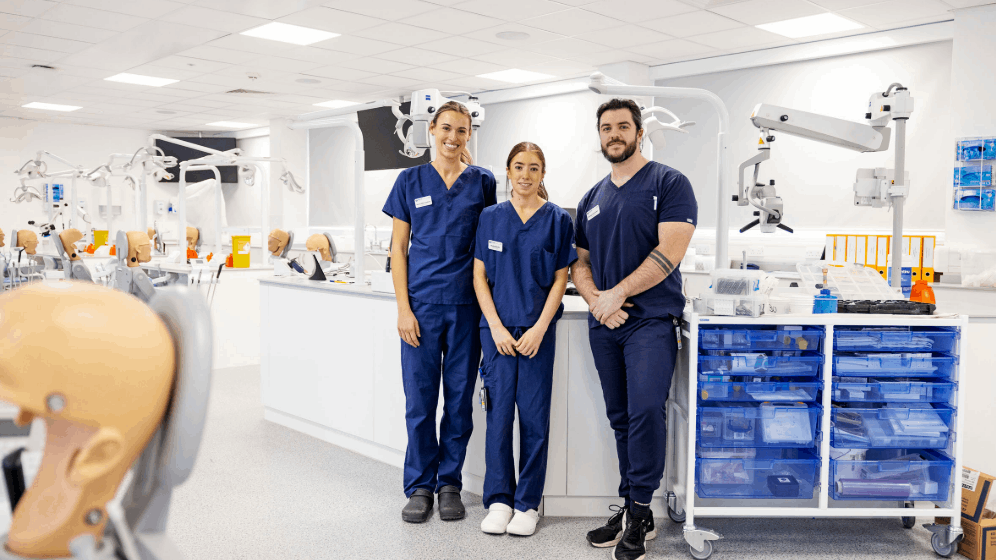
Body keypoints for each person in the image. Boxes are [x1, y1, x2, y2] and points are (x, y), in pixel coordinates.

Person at [573, 98, 697, 560]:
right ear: (599, 136)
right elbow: (579, 263)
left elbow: (670, 253)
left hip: (650, 321)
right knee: (620, 418)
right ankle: (630, 507)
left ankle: (643, 511)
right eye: (606, 128)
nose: (614, 134)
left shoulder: (669, 183)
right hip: (606, 322)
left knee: (646, 411)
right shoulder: (592, 198)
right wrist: (596, 300)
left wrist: (617, 294)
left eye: (623, 126)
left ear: (639, 132)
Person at [383, 101, 497, 524]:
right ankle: (419, 486)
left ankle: (449, 482)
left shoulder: (483, 181)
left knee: (459, 401)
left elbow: (492, 236)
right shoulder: (409, 180)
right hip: (421, 307)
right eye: (446, 128)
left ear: (469, 136)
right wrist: (403, 309)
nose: (453, 137)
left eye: (462, 131)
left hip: (467, 306)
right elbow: (398, 249)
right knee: (420, 402)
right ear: (431, 129)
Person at [473, 142, 576, 537]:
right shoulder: (490, 218)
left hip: (536, 333)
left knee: (534, 420)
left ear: (543, 174)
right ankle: (499, 500)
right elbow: (480, 276)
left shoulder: (556, 220)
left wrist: (538, 328)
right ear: (507, 171)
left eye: (534, 168)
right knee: (498, 418)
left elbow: (560, 280)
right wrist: (496, 326)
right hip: (496, 332)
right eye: (519, 166)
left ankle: (527, 504)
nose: (525, 175)